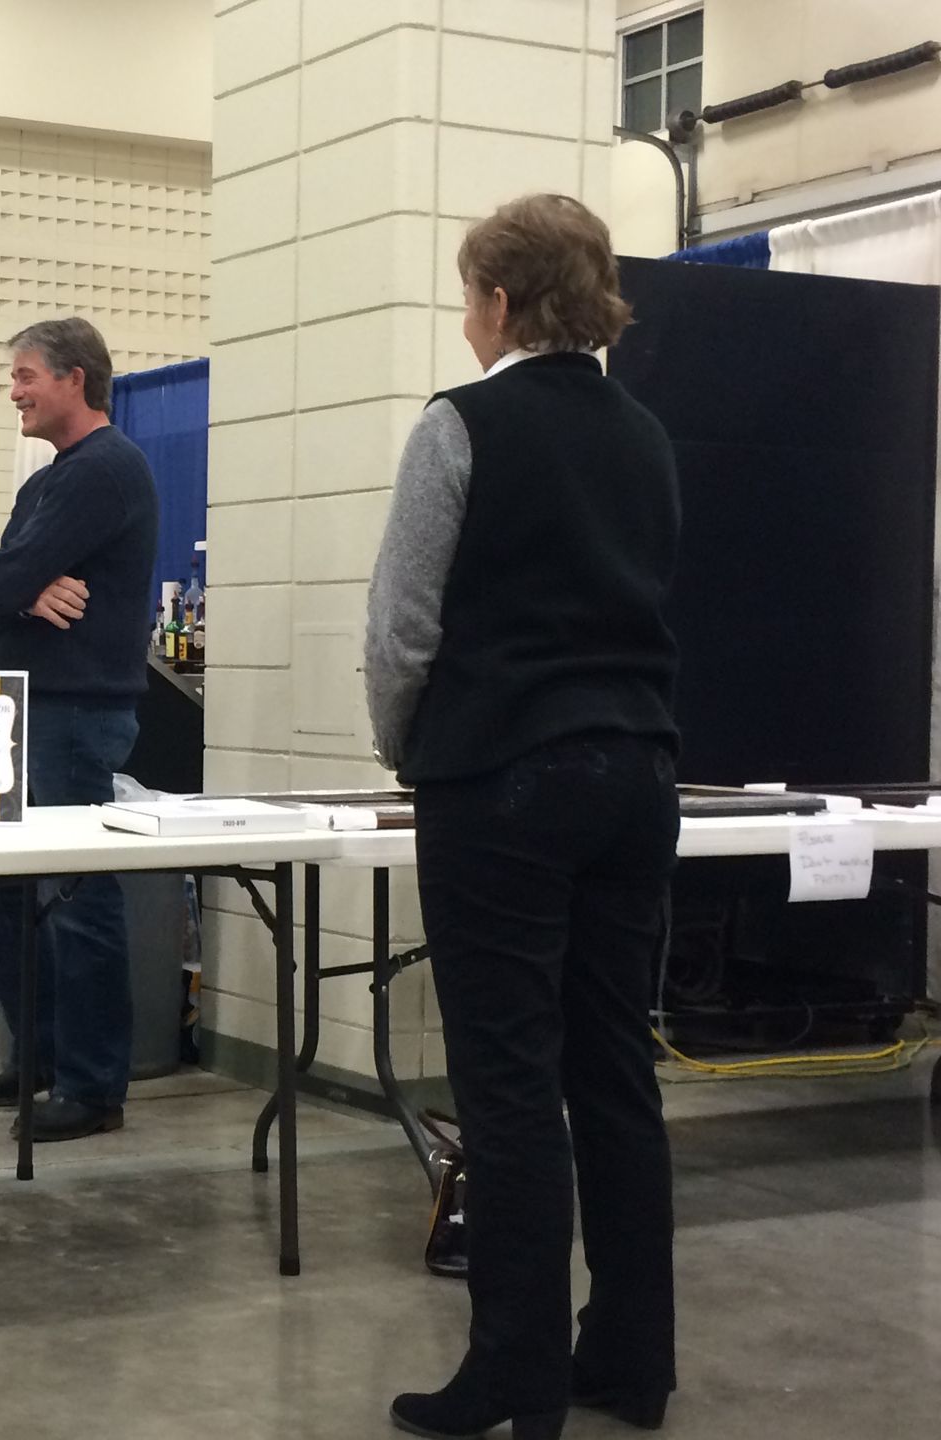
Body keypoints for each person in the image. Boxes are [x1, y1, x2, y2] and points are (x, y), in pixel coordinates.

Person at [365, 194, 681, 1440]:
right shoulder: (648, 433)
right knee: (615, 1073)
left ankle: (517, 1374)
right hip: (637, 772)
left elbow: (402, 628)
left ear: (499, 303)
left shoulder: (463, 425)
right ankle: (632, 1361)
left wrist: (411, 750)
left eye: (466, 297)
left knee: (505, 1082)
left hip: (503, 779)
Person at [0, 316, 159, 1143]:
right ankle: (38, 1055)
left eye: (27, 375)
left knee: (75, 896)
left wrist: (14, 584)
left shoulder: (101, 472)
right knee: (4, 892)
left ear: (75, 379)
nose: (15, 391)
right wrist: (26, 587)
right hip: (28, 706)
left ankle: (92, 1083)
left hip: (74, 712)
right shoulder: (51, 480)